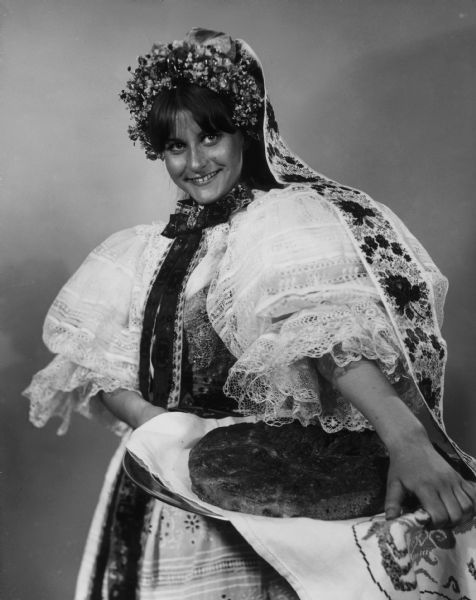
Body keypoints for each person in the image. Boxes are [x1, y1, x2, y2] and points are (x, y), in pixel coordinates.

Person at [24, 28, 476, 599]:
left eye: (210, 136)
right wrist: (160, 427)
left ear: (247, 129)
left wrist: (406, 438)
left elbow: (325, 336)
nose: (194, 162)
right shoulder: (137, 254)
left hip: (269, 499)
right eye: (174, 146)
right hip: (164, 495)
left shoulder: (281, 226)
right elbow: (99, 369)